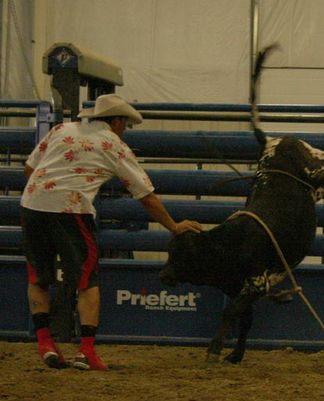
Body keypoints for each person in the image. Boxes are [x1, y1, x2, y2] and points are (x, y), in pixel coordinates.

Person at [21, 94, 203, 370]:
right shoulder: (113, 145)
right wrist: (174, 226)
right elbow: (145, 195)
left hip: (32, 205)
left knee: (39, 275)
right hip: (72, 209)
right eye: (125, 124)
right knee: (87, 280)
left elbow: (29, 168)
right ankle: (86, 351)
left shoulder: (61, 130)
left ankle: (45, 342)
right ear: (117, 121)